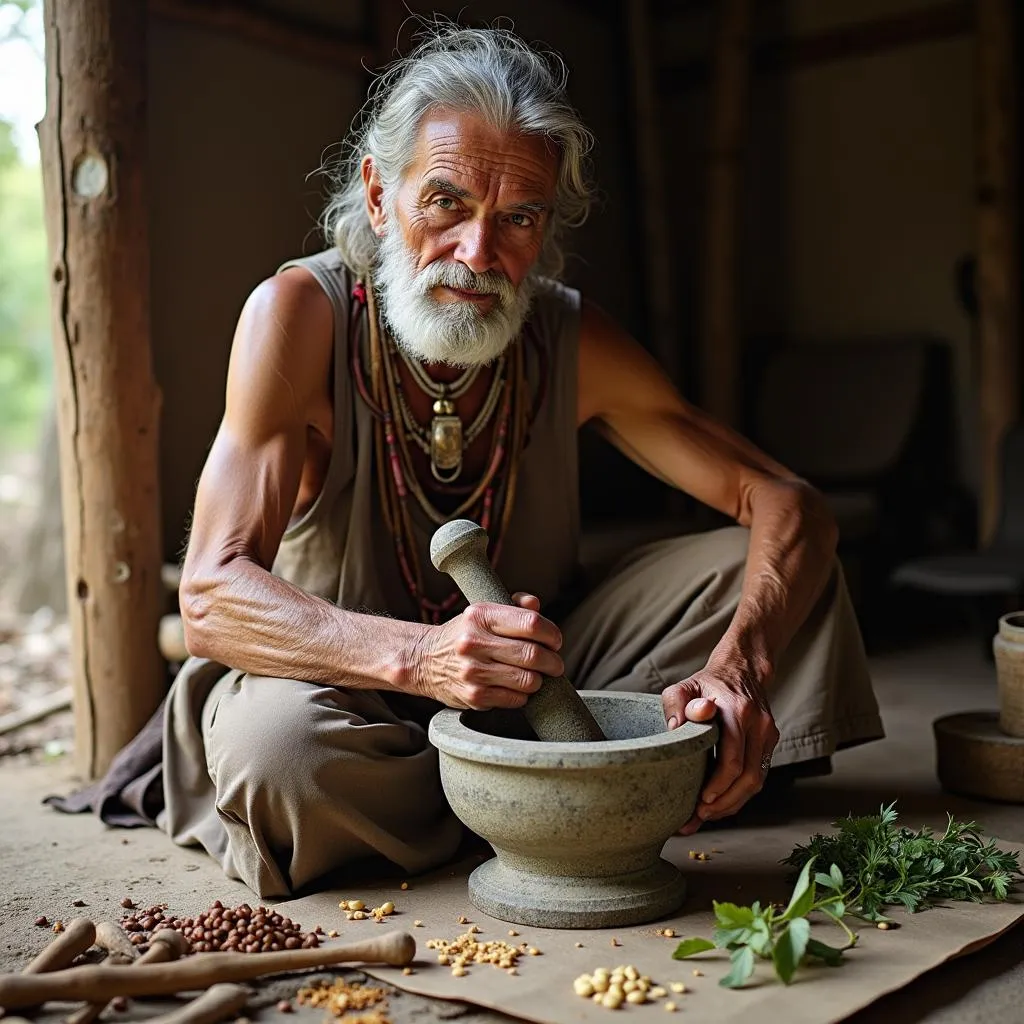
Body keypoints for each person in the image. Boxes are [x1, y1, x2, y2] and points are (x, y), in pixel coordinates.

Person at [163, 24, 883, 898]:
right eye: (445, 203)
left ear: (547, 226)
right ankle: (597, 789)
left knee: (771, 576)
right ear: (379, 195)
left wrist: (739, 672)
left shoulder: (568, 335)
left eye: (517, 218)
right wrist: (423, 658)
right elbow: (208, 596)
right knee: (283, 755)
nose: (478, 253)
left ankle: (567, 773)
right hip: (344, 690)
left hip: (540, 676)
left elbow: (788, 503)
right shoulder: (298, 316)